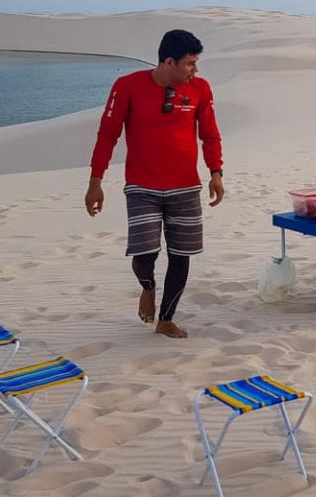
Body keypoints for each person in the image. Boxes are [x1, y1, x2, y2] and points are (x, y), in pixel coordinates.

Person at [85, 29, 225, 338]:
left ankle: (166, 319)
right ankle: (147, 287)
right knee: (144, 252)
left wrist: (216, 172)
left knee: (180, 254)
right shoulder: (127, 86)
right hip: (142, 186)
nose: (195, 69)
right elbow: (108, 134)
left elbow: (210, 134)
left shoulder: (200, 89)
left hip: (185, 187)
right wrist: (96, 181)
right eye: (190, 63)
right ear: (169, 61)